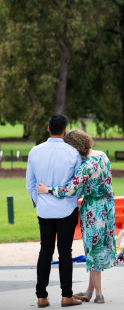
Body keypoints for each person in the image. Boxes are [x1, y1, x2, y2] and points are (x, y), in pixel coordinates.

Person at [37, 129, 117, 305]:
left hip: (92, 209)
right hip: (107, 206)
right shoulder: (102, 156)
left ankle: (99, 294)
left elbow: (71, 189)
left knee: (92, 249)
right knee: (99, 245)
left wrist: (48, 189)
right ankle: (89, 291)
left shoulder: (85, 166)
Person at [26, 115, 83, 308]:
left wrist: (39, 202)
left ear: (48, 128)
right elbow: (78, 186)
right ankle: (67, 296)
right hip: (66, 209)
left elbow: (30, 184)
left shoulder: (34, 152)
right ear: (65, 130)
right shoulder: (73, 153)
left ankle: (41, 296)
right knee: (65, 251)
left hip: (44, 210)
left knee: (45, 251)